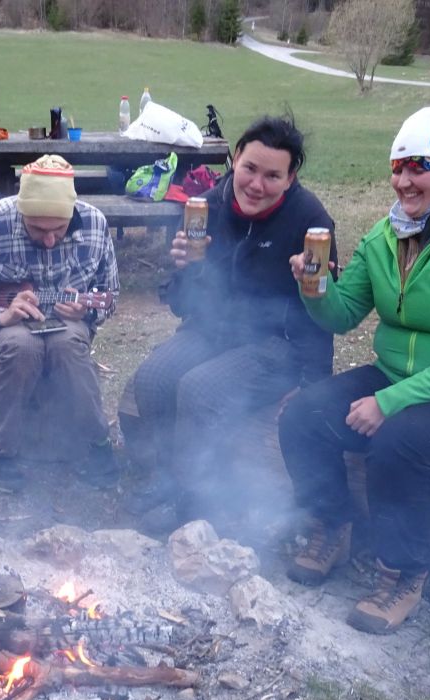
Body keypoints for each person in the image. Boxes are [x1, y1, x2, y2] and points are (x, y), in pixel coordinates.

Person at [278, 103, 430, 635]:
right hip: (399, 378)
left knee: (400, 441)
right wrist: (313, 286)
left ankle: (405, 574)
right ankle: (333, 523)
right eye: (398, 167)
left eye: (421, 167)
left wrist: (388, 402)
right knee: (303, 414)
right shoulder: (385, 236)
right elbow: (343, 315)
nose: (405, 181)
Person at [122, 115, 338, 533]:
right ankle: (172, 479)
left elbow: (323, 312)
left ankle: (199, 503)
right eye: (250, 168)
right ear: (235, 158)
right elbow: (185, 307)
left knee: (200, 389)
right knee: (153, 378)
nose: (257, 184)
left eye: (273, 175)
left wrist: (314, 381)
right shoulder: (208, 205)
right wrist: (184, 270)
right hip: (212, 330)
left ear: (291, 178)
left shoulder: (309, 219)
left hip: (278, 346)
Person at [0, 155, 121, 493]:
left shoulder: (95, 224)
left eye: (58, 231)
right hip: (12, 327)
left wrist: (88, 311)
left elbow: (109, 294)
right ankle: (2, 448)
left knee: (67, 346)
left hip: (68, 326)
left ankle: (95, 442)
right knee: (23, 346)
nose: (49, 241)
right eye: (37, 230)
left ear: (72, 213)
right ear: (21, 214)